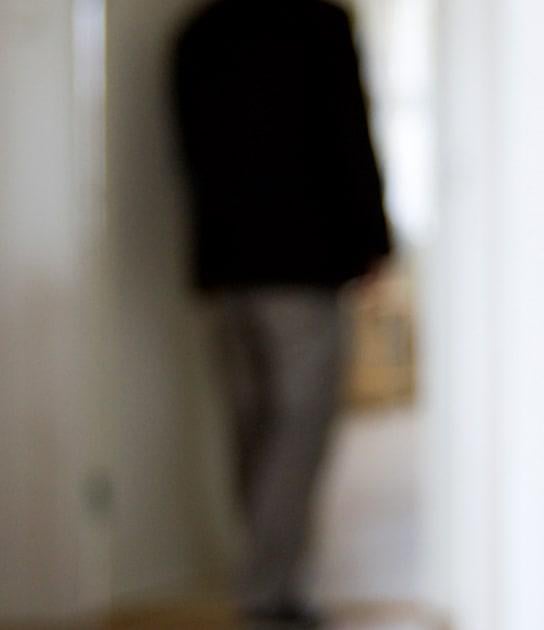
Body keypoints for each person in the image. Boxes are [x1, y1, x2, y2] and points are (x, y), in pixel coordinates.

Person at [173, 0, 392, 626]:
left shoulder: (197, 36)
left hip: (226, 267)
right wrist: (374, 242)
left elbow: (189, 154)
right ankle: (268, 591)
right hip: (304, 265)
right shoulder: (319, 26)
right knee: (296, 430)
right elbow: (348, 135)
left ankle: (266, 578)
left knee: (252, 427)